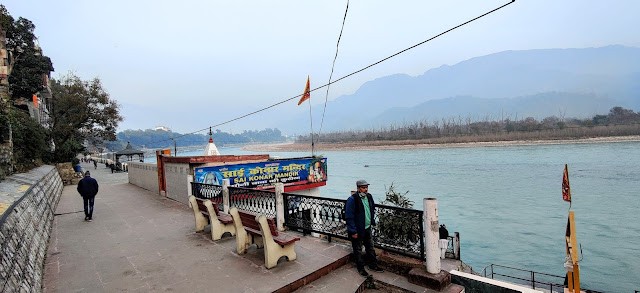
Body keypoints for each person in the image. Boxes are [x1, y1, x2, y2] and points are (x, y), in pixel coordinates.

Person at [345, 179, 384, 277]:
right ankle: (361, 268)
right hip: (358, 229)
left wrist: (371, 222)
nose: (365, 189)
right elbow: (349, 216)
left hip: (367, 227)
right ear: (358, 189)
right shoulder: (352, 199)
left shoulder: (369, 197)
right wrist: (353, 231)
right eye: (363, 187)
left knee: (370, 247)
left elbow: (372, 209)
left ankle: (373, 265)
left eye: (366, 187)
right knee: (358, 249)